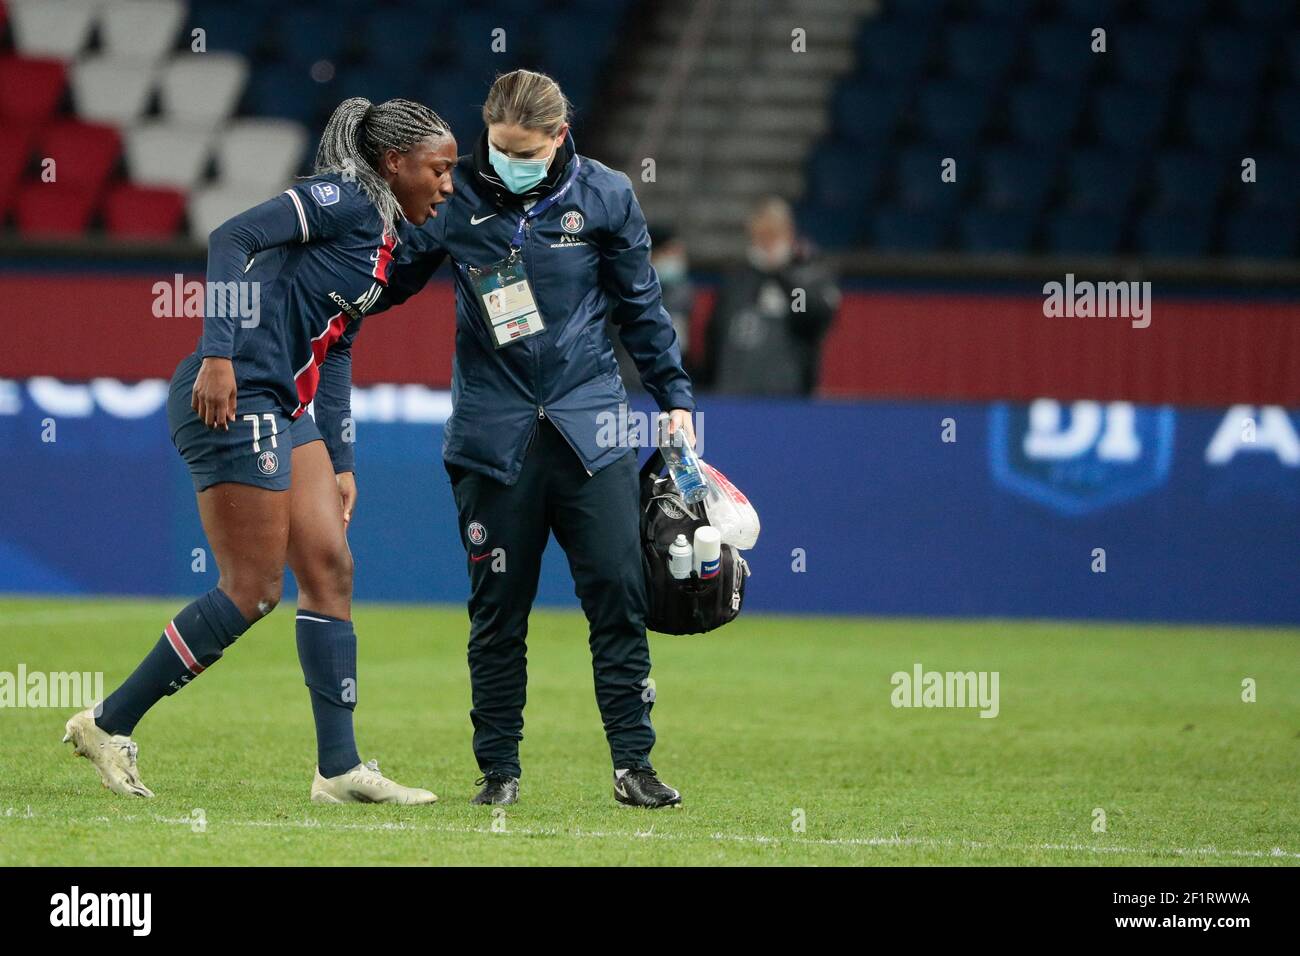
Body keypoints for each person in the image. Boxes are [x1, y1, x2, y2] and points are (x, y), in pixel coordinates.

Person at [62, 98, 457, 805]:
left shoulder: (380, 237)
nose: (449, 184)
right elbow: (230, 237)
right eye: (440, 168)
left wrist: (340, 459)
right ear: (395, 163)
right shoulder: (338, 199)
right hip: (234, 393)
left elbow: (335, 348)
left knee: (331, 565)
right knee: (253, 590)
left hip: (284, 406)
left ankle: (338, 770)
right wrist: (218, 355)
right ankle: (106, 721)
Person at [381, 70, 694, 808]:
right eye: (494, 147)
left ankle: (633, 766)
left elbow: (641, 309)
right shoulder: (451, 197)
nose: (503, 161)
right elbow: (387, 284)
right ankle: (498, 773)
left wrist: (674, 398)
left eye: (521, 150)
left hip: (594, 433)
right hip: (494, 440)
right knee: (498, 613)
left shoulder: (607, 195)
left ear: (559, 136)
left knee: (619, 596)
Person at [699, 197, 840, 395]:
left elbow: (810, 318)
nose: (765, 245)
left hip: (786, 394)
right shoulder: (738, 278)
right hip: (734, 393)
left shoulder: (807, 273)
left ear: (789, 234)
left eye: (772, 236)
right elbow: (717, 332)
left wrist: (783, 276)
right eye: (760, 237)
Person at [606, 224, 694, 392]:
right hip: (630, 385)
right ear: (652, 255)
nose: (677, 260)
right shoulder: (623, 295)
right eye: (670, 253)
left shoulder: (684, 295)